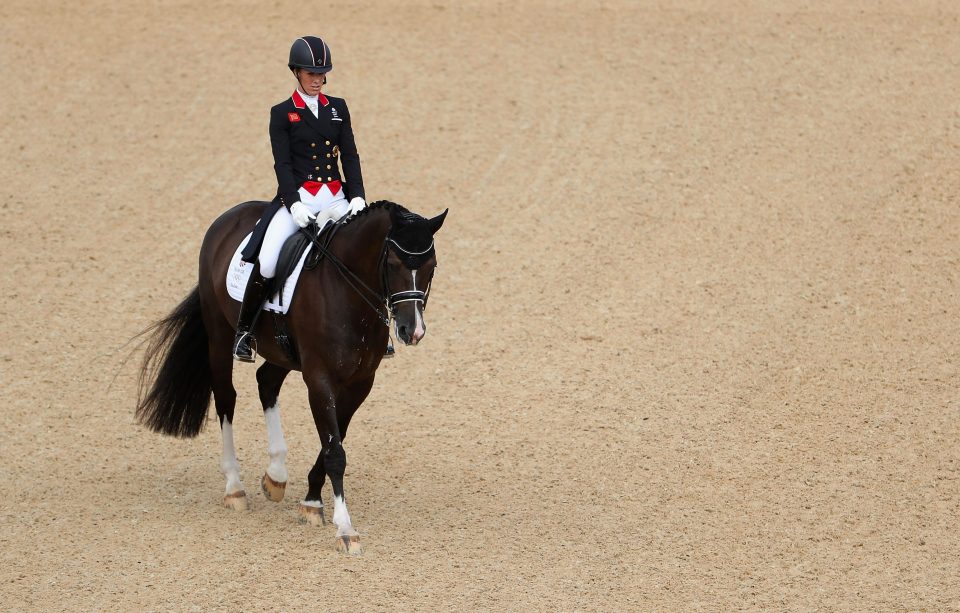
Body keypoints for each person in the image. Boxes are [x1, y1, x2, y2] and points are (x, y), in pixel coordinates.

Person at [233, 35, 367, 362]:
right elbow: (283, 163)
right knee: (266, 259)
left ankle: (375, 330)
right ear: (296, 72)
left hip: (336, 198)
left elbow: (349, 155)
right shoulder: (282, 113)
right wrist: (293, 203)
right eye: (311, 74)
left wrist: (359, 196)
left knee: (364, 253)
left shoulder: (338, 109)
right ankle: (245, 333)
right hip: (300, 199)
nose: (318, 80)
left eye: (322, 74)